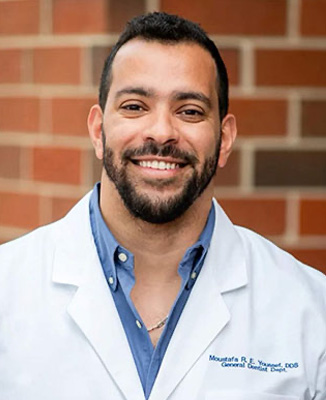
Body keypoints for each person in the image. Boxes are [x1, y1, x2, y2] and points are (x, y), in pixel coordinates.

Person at [0, 12, 325, 400]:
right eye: (135, 106)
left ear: (224, 139)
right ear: (98, 130)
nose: (161, 132)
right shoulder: (9, 289)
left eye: (189, 111)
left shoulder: (310, 308)